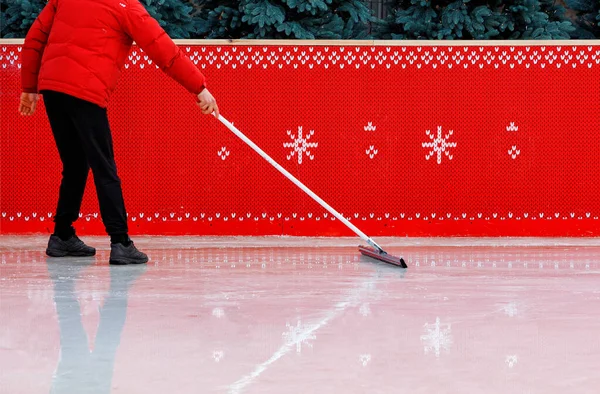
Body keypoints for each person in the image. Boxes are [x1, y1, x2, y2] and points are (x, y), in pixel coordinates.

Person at [19, 0, 218, 264]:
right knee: (104, 167)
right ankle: (120, 242)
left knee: (76, 164)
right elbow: (163, 50)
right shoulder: (125, 6)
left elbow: (34, 39)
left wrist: (29, 88)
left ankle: (62, 235)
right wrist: (199, 87)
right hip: (85, 91)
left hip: (53, 89)